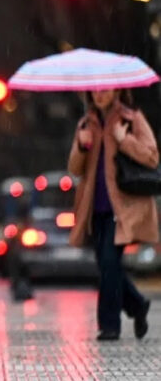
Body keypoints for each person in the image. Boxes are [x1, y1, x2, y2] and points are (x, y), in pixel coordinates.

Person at [68, 88, 158, 341]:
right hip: (94, 209)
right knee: (108, 267)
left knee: (109, 264)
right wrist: (82, 147)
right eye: (94, 90)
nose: (99, 94)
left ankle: (109, 326)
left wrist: (124, 140)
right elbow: (74, 168)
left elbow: (152, 157)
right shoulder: (86, 123)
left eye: (104, 89)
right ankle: (138, 306)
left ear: (117, 90)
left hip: (121, 209)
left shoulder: (132, 119)